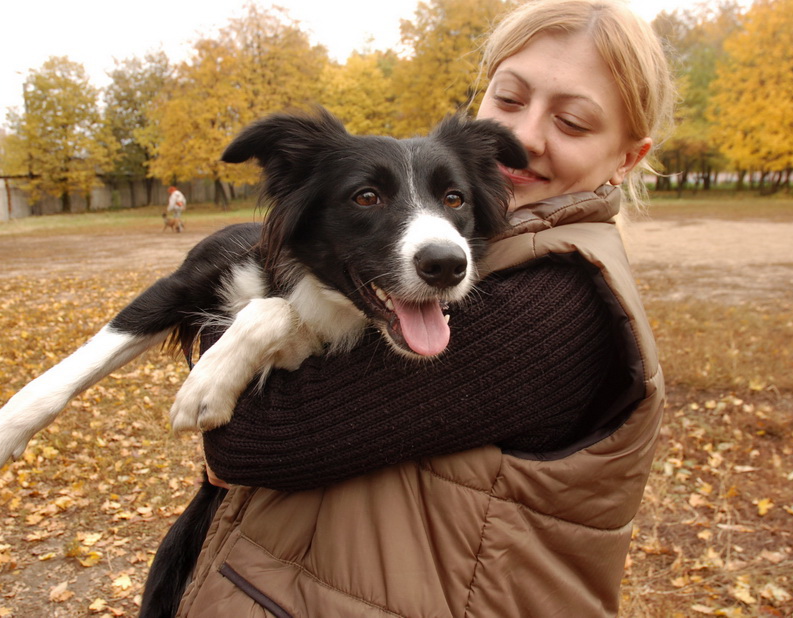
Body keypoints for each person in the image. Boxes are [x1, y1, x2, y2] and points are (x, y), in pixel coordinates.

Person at [174, 0, 674, 615]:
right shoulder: (490, 250)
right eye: (510, 100)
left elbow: (249, 441)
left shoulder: (554, 306)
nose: (524, 137)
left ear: (627, 157)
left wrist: (234, 299)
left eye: (572, 122)